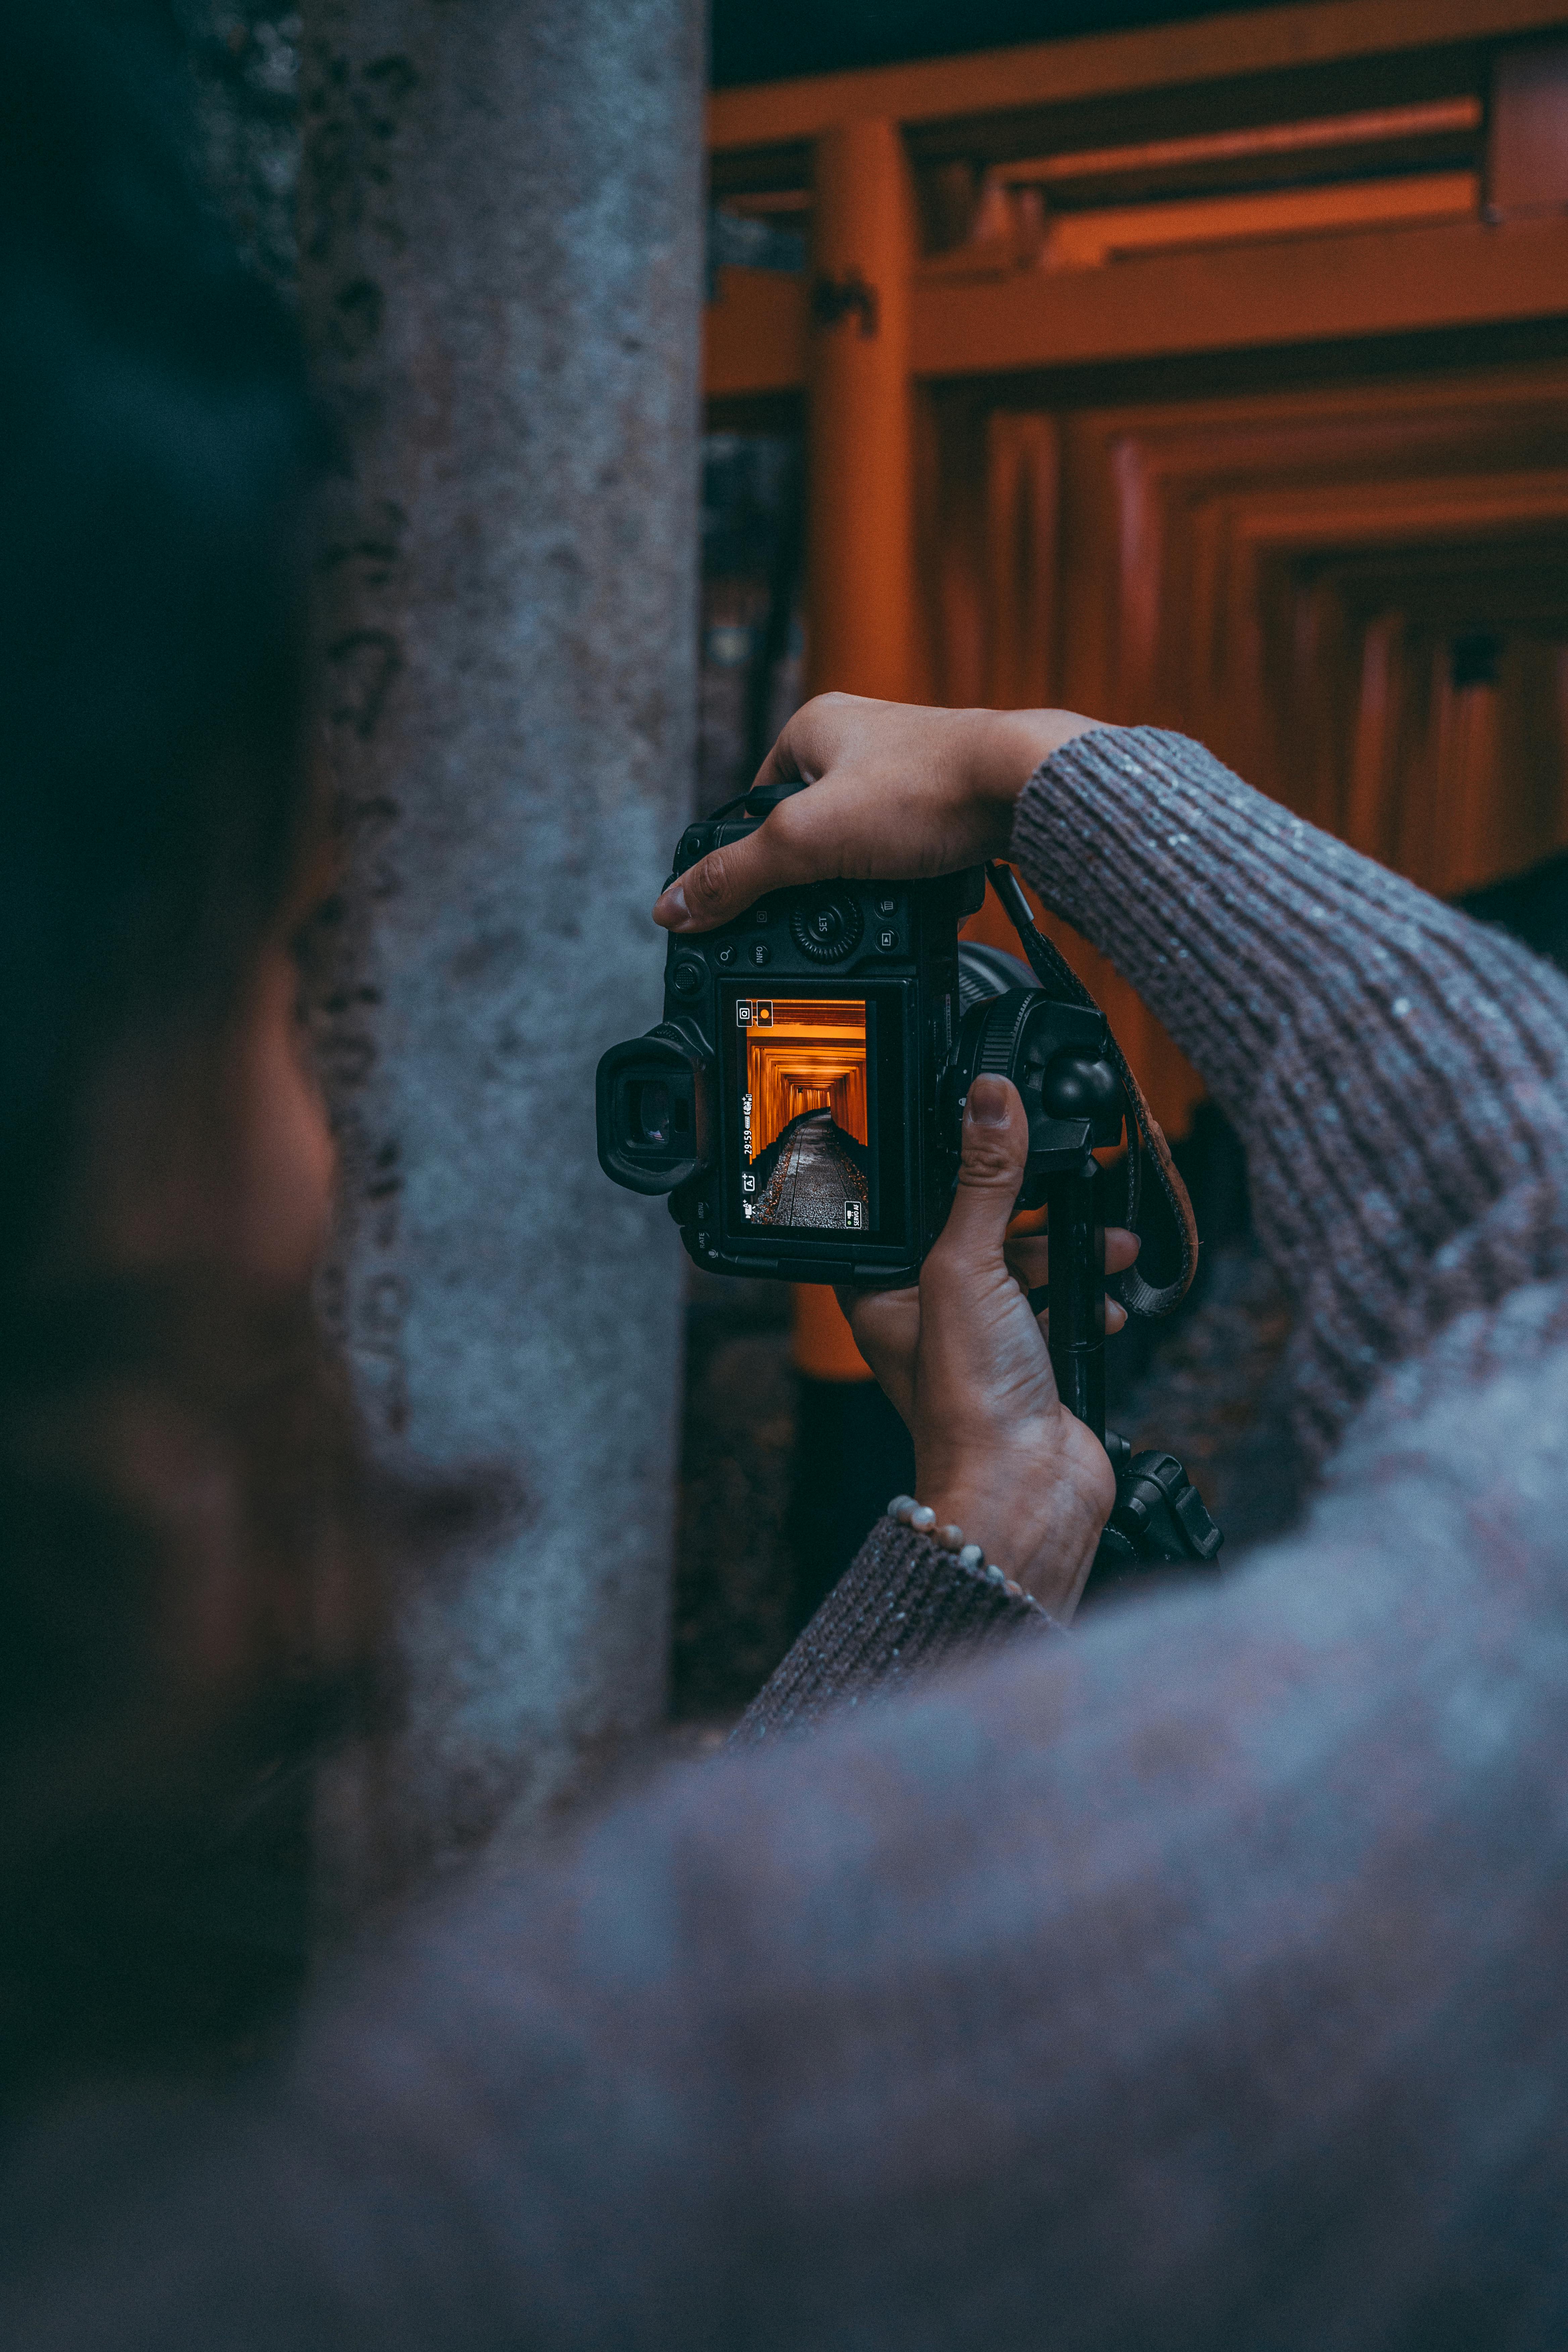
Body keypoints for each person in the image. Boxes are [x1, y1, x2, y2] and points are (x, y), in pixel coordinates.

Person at [7, 10, 1568, 2348]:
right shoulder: (571, 2150)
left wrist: (987, 1525)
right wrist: (1053, 775)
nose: (327, 1131)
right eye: (276, 956)